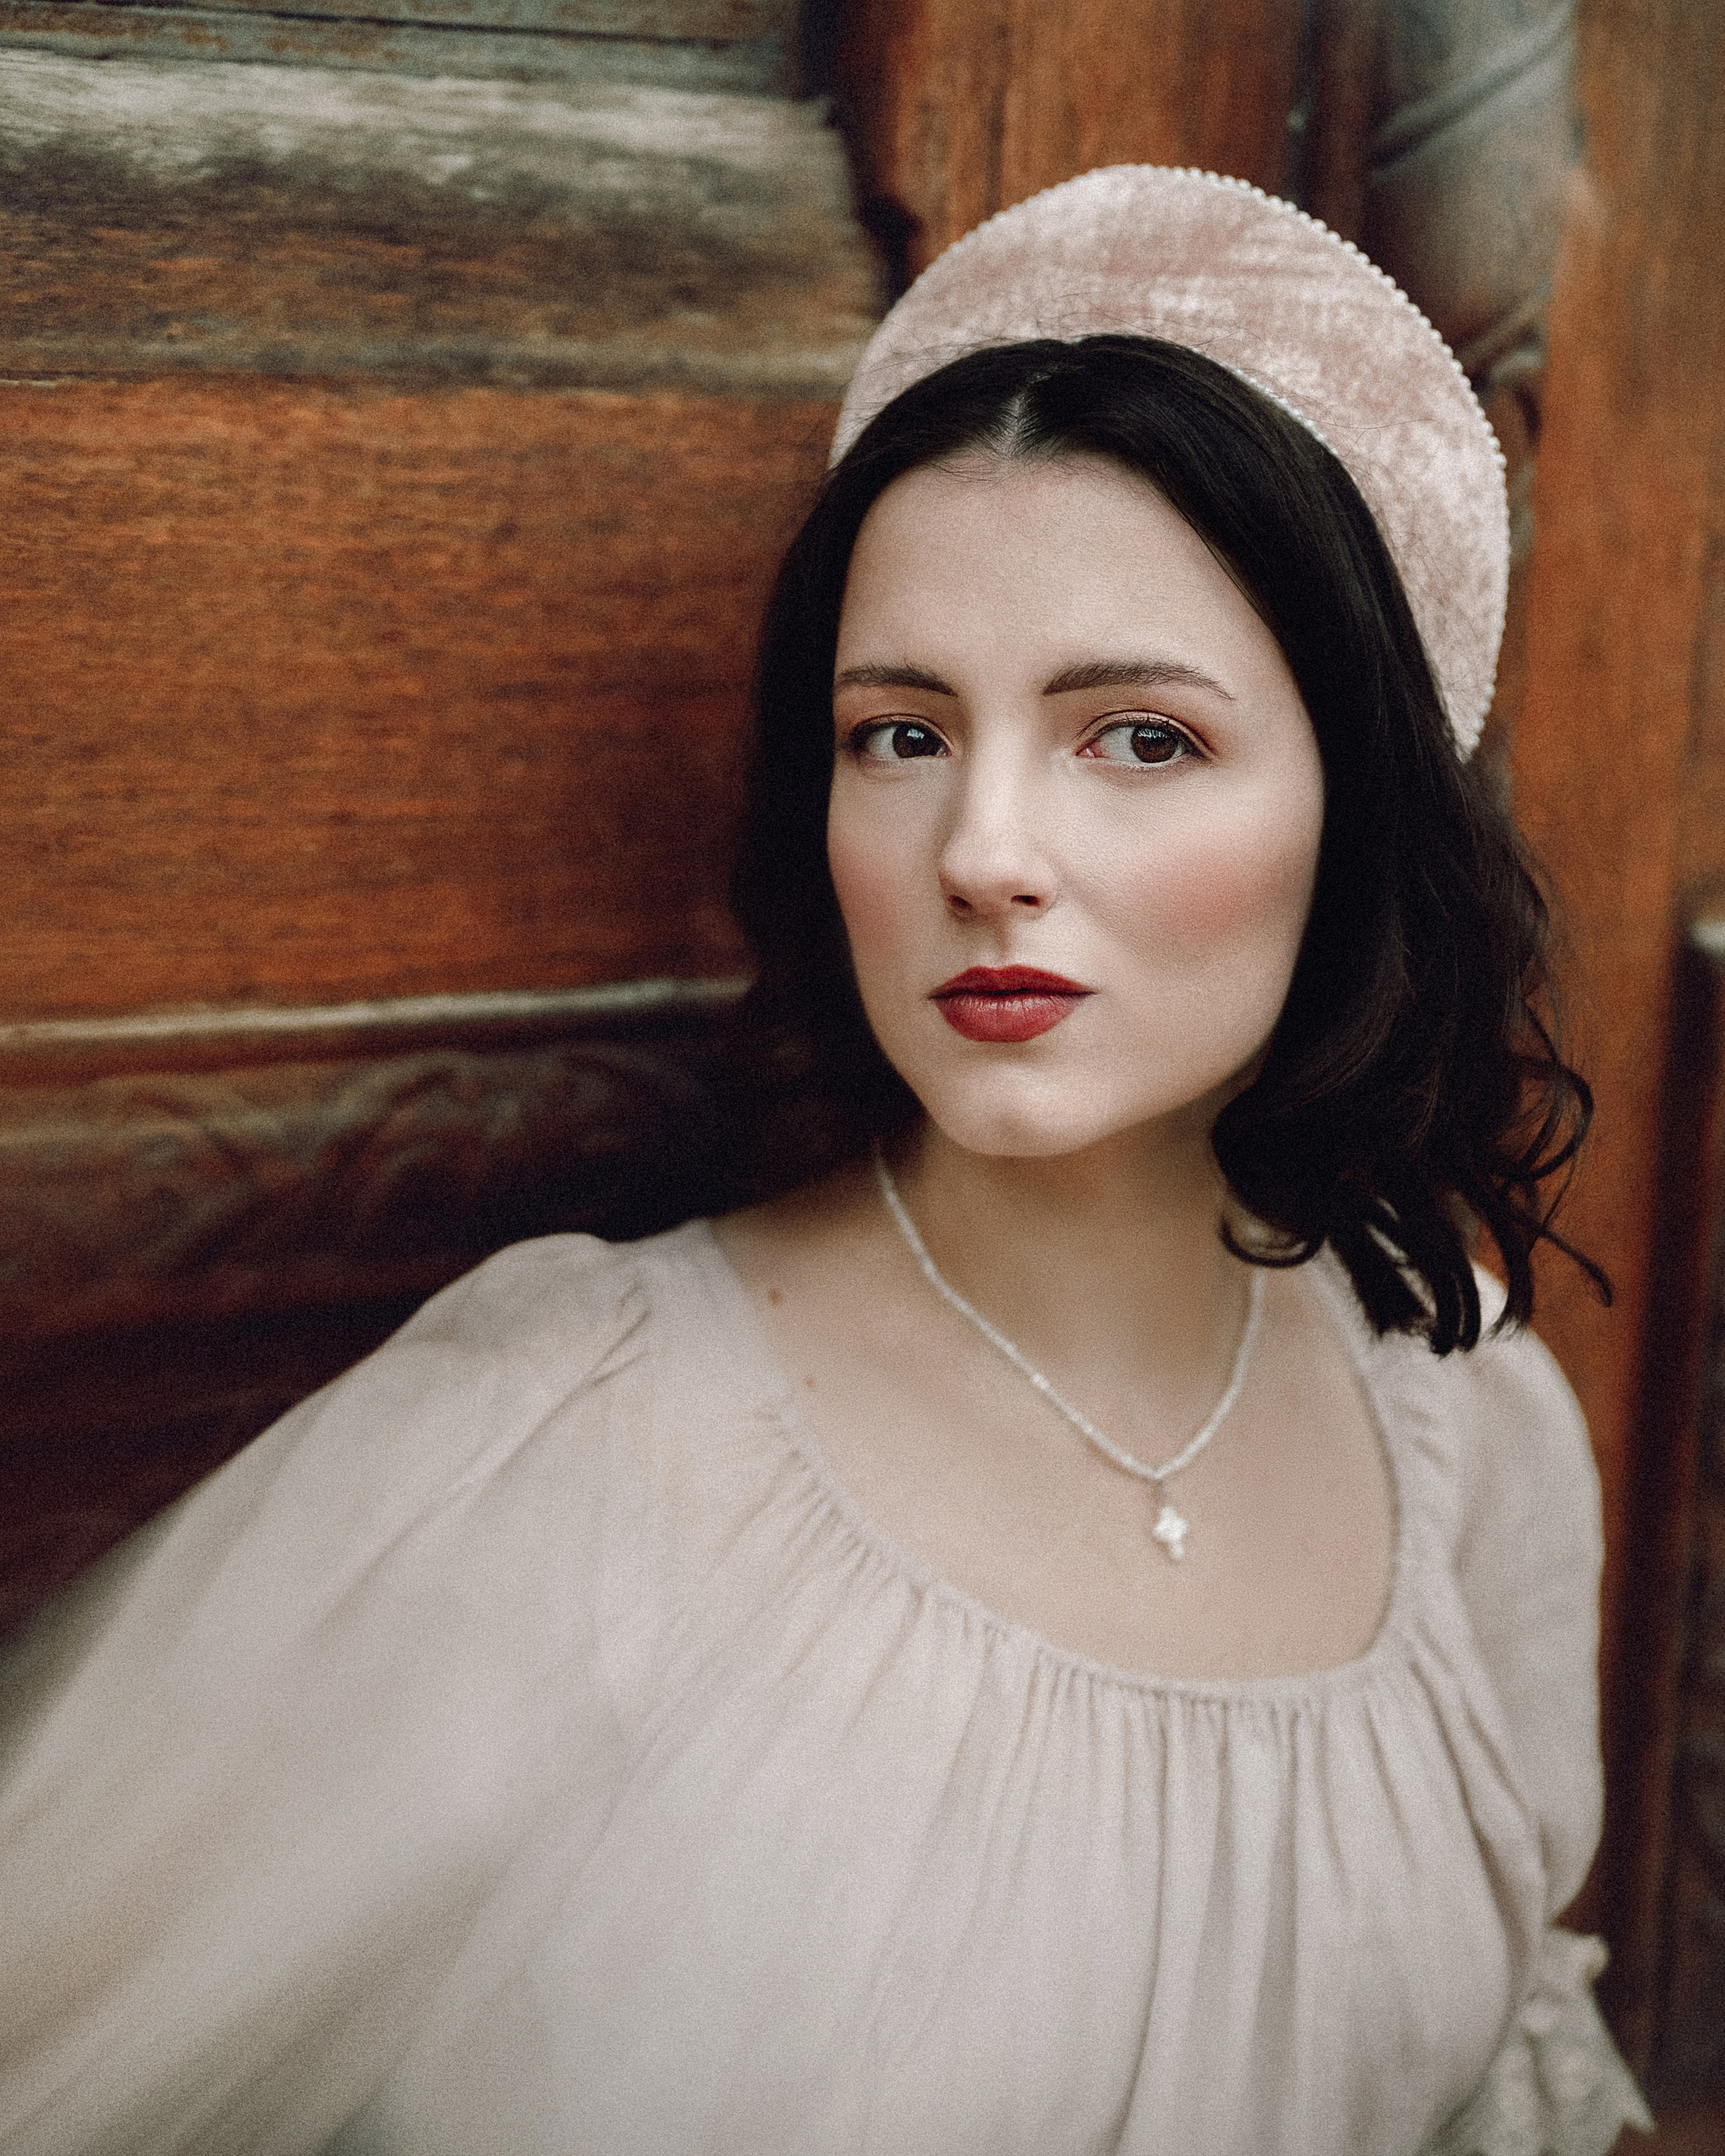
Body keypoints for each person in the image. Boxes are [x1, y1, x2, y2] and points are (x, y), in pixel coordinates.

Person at [0, 168, 1654, 2155]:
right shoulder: (556, 1455)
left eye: (1138, 736)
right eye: (902, 735)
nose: (981, 851)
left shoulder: (1468, 1426)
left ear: (1359, 810)